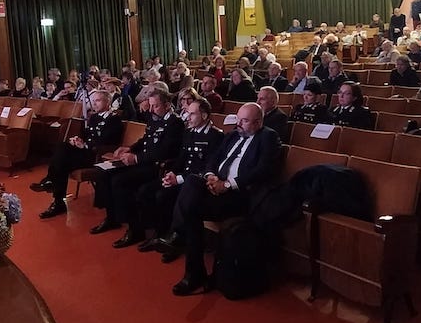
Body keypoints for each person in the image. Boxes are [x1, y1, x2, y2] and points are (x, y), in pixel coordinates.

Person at [169, 102, 281, 296]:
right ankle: (193, 269)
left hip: (240, 195)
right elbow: (213, 159)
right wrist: (211, 176)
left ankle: (191, 268)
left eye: (244, 121)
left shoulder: (268, 137)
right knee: (193, 182)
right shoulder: (232, 135)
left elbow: (263, 170)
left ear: (258, 122)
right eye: (238, 119)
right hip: (216, 187)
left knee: (191, 212)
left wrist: (228, 185)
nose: (238, 124)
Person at [89, 90, 185, 244]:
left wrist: (136, 158)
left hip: (157, 166)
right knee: (104, 172)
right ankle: (112, 218)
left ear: (167, 105)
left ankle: (135, 229)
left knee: (120, 181)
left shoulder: (175, 123)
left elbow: (164, 151)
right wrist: (130, 148)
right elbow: (145, 140)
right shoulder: (155, 118)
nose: (151, 110)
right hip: (143, 161)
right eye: (150, 105)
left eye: (155, 106)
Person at [135, 98, 224, 261]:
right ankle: (160, 235)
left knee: (164, 196)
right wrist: (171, 173)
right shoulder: (189, 132)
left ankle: (175, 242)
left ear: (204, 115)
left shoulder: (215, 136)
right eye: (187, 113)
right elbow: (181, 159)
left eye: (192, 114)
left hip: (197, 184)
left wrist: (179, 179)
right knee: (146, 190)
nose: (187, 117)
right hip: (181, 177)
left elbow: (209, 168)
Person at [30, 89, 124, 218]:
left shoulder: (114, 119)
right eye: (93, 101)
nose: (94, 104)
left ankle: (55, 195)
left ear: (107, 102)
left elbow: (108, 141)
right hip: (85, 152)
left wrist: (85, 145)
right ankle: (55, 194)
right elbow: (87, 135)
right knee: (62, 147)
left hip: (96, 155)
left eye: (98, 101)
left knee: (62, 161)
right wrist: (78, 140)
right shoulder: (94, 117)